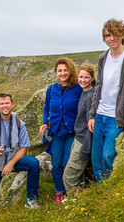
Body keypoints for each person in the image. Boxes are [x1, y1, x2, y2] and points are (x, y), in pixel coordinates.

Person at [85, 18, 124, 184]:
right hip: (100, 114)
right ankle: (101, 189)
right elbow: (100, 87)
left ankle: (113, 187)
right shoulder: (103, 58)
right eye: (107, 35)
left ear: (123, 35)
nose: (111, 38)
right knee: (96, 157)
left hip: (117, 116)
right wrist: (92, 114)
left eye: (115, 34)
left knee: (108, 154)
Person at [0, 93, 40, 217]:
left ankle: (30, 199)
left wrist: (11, 163)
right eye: (2, 104)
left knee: (33, 163)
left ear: (12, 105)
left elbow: (23, 148)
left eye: (7, 103)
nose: (5, 106)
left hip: (12, 161)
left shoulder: (19, 123)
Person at [39, 58, 83, 203]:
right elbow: (46, 107)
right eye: (60, 71)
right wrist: (45, 123)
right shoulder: (51, 89)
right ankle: (59, 193)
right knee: (56, 165)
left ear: (70, 71)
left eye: (65, 70)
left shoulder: (78, 88)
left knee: (67, 164)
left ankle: (72, 192)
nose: (63, 73)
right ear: (56, 72)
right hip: (56, 132)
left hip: (72, 132)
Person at [62, 63, 96, 194]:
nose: (82, 80)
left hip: (83, 142)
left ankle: (75, 203)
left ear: (92, 78)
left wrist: (86, 150)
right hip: (78, 138)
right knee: (79, 175)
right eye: (80, 77)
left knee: (69, 176)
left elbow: (91, 126)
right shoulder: (84, 92)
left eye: (86, 77)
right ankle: (82, 200)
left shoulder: (91, 97)